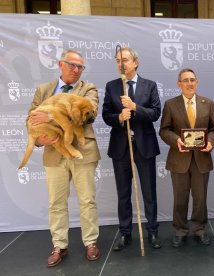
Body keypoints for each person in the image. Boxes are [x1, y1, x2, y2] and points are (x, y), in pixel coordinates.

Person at [26, 49, 101, 267]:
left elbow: (91, 113)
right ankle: (59, 245)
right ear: (60, 65)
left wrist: (50, 116)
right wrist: (39, 140)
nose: (76, 70)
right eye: (72, 65)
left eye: (80, 67)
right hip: (53, 152)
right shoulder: (43, 90)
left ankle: (91, 242)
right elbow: (30, 118)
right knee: (56, 202)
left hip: (83, 152)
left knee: (87, 200)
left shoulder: (88, 89)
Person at [102, 47, 162, 250]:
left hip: (144, 145)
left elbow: (155, 113)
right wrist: (119, 118)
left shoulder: (150, 86)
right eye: (117, 60)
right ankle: (125, 233)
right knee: (123, 192)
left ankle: (153, 232)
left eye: (125, 60)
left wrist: (135, 107)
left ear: (135, 62)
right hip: (121, 146)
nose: (121, 63)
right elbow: (106, 115)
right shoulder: (111, 87)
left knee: (149, 192)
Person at [159, 68, 214, 248]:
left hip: (202, 158)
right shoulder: (170, 104)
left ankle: (199, 230)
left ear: (197, 82)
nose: (189, 83)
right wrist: (176, 140)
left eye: (192, 80)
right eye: (185, 80)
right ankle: (179, 231)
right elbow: (164, 130)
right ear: (179, 84)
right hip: (179, 159)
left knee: (200, 199)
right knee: (180, 198)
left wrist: (210, 142)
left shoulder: (207, 103)